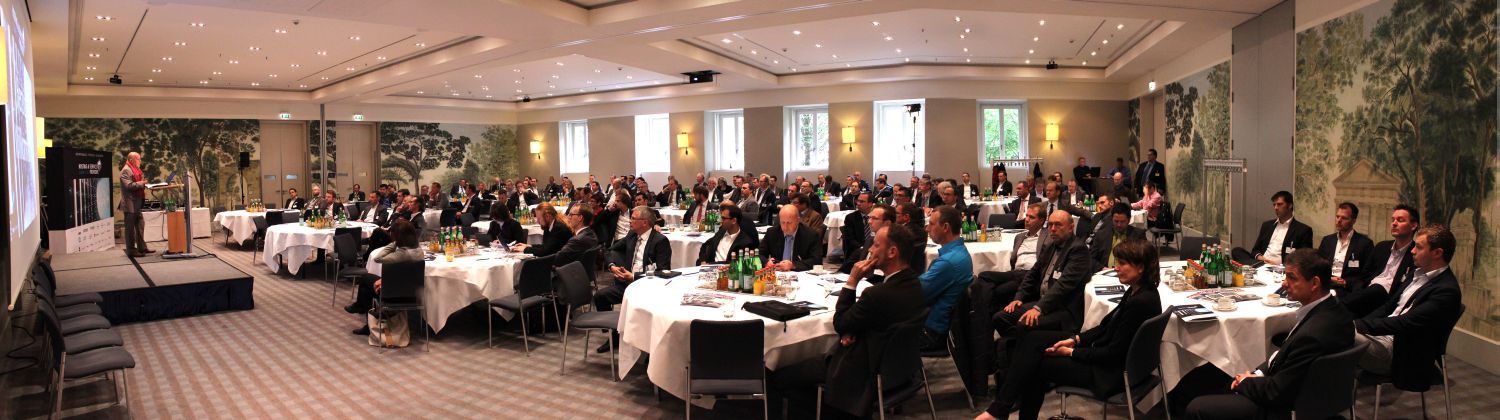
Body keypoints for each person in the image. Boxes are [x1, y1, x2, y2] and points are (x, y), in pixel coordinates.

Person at [977, 239, 1162, 420]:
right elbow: (1106, 327)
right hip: (1106, 357)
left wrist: (1071, 352)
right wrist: (1075, 339)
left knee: (1036, 365)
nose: (1116, 268)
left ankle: (1000, 409)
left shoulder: (1140, 302)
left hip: (1108, 374)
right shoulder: (1138, 290)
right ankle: (1000, 409)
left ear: (1140, 267)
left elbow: (1112, 354)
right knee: (1033, 338)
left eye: (1122, 263)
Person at [771, 224, 928, 419]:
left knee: (775, 373)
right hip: (898, 370)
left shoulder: (876, 294)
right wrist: (854, 330)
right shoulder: (915, 284)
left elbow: (840, 323)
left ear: (892, 252)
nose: (870, 250)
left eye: (876, 245)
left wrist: (852, 281)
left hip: (859, 370)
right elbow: (881, 321)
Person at [1183, 249, 1354, 420]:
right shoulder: (1336, 311)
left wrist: (1245, 382)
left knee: (1197, 407)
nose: (1284, 283)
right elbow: (1285, 358)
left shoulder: (1312, 335)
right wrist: (1257, 374)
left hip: (1287, 409)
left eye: (1292, 278)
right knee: (1205, 377)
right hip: (1307, 394)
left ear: (1314, 283)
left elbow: (1276, 392)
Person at [1353, 224, 1463, 393]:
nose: (1412, 251)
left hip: (1399, 353)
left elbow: (1404, 323)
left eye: (1419, 247)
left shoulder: (1446, 291)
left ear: (1437, 253)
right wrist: (1360, 324)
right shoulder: (1416, 273)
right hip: (1382, 337)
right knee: (1331, 332)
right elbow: (1388, 307)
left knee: (1336, 333)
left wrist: (1356, 326)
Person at [996, 209, 1090, 336]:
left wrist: (1039, 308)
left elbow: (1063, 285)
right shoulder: (1051, 246)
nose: (1053, 229)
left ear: (1071, 228)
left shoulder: (1078, 249)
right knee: (1000, 318)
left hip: (1063, 309)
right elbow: (1033, 274)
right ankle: (1016, 344)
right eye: (1050, 225)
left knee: (1024, 324)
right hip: (1044, 302)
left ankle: (1021, 345)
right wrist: (1019, 298)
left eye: (1058, 225)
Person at [595, 206, 672, 352]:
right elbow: (610, 250)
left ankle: (644, 341)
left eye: (633, 218)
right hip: (626, 284)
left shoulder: (660, 241)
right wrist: (612, 266)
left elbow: (663, 271)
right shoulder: (632, 235)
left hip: (648, 286)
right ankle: (613, 335)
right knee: (600, 296)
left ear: (645, 222)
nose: (630, 221)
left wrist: (634, 276)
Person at [345, 219, 424, 335]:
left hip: (395, 294)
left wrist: (394, 243)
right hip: (414, 292)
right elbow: (403, 274)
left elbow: (378, 258)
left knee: (365, 278)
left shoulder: (401, 254)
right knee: (365, 289)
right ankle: (363, 313)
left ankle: (362, 310)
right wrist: (384, 280)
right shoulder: (418, 250)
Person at [1341, 205, 1419, 317]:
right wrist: (1358, 291)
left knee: (1377, 289)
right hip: (1366, 294)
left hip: (1387, 300)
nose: (1394, 223)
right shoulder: (1381, 247)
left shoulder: (1416, 254)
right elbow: (1363, 277)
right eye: (1393, 220)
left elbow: (1405, 290)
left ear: (1413, 225)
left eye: (1400, 220)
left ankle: (1333, 307)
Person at [916, 205, 974, 349]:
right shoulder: (959, 251)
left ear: (945, 227)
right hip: (938, 326)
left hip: (931, 332)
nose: (927, 229)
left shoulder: (948, 262)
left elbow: (915, 295)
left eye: (931, 224)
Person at [1233, 191, 1314, 266]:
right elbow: (1255, 250)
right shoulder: (1267, 225)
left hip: (1280, 267)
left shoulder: (1303, 230)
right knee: (1237, 251)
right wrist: (1261, 258)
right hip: (1261, 263)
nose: (1276, 208)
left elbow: (1305, 259)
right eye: (1274, 205)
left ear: (1290, 205)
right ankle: (1255, 267)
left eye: (1279, 204)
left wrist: (1279, 265)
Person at [1315, 202, 1376, 294]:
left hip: (1348, 289)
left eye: (1344, 218)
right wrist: (1328, 278)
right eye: (1337, 216)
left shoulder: (1365, 244)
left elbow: (1367, 274)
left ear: (1353, 220)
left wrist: (1345, 282)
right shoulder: (1327, 240)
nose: (1339, 220)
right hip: (1326, 285)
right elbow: (1318, 266)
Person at [760, 205, 822, 271]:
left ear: (798, 220)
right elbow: (759, 253)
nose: (785, 227)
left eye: (789, 223)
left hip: (800, 274)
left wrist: (793, 265)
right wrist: (766, 262)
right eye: (783, 222)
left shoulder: (810, 235)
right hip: (777, 272)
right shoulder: (772, 232)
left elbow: (817, 261)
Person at [1089, 202, 1146, 270]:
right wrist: (1102, 268)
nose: (1119, 225)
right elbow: (1091, 258)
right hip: (1105, 272)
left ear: (1129, 220)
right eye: (1116, 221)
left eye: (1122, 221)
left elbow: (1144, 259)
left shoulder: (1138, 235)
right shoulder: (1101, 234)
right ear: (1111, 219)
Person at [118, 152, 154, 257]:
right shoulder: (126, 170)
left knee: (140, 225)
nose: (140, 161)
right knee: (130, 229)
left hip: (137, 202)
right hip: (130, 203)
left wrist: (143, 183)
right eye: (138, 159)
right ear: (131, 160)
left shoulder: (136, 169)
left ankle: (142, 247)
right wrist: (142, 183)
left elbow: (137, 182)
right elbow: (129, 186)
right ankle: (131, 250)